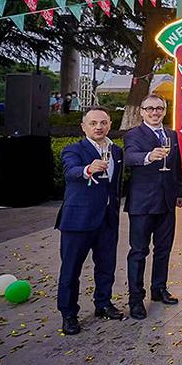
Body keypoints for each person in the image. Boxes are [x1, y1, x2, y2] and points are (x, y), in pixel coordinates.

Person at [56, 107, 124, 335]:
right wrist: (87, 169)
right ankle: (68, 314)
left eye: (103, 122)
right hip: (78, 220)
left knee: (106, 266)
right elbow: (70, 171)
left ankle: (103, 303)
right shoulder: (73, 150)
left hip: (107, 219)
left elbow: (115, 185)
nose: (99, 127)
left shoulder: (116, 151)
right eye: (93, 123)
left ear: (110, 125)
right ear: (83, 127)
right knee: (71, 269)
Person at [123, 94, 182, 320]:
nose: (154, 112)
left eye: (159, 108)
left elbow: (177, 165)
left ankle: (159, 289)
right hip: (143, 203)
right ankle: (136, 299)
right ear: (142, 112)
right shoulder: (133, 135)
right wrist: (149, 156)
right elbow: (130, 157)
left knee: (163, 249)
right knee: (139, 252)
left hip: (167, 201)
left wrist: (179, 192)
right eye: (149, 108)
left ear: (164, 111)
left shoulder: (171, 134)